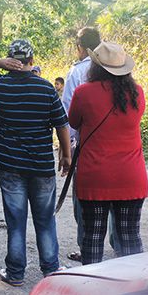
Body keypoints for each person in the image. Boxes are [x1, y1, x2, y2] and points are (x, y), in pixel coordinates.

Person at [0, 39, 71, 287]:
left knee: (15, 221)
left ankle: (15, 272)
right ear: (32, 61)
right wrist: (66, 155)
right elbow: (61, 124)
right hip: (41, 165)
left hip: (11, 166)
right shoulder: (46, 88)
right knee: (45, 219)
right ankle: (51, 269)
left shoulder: (0, 84)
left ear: (9, 62)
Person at [68, 41, 148, 265]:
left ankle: (92, 287)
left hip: (95, 175)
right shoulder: (137, 93)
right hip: (131, 176)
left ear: (95, 67)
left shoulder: (83, 92)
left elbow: (73, 122)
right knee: (130, 239)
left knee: (92, 238)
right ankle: (133, 288)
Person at [60, 26, 103, 262]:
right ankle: (118, 245)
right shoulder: (115, 69)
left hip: (86, 143)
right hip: (116, 142)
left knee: (83, 199)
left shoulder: (76, 72)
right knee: (117, 200)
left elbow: (68, 115)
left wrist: (67, 151)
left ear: (80, 48)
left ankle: (86, 247)